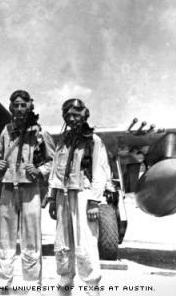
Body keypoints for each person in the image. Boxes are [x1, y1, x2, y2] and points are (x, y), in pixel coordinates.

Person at [0, 90, 55, 290]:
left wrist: (39, 170)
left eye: (23, 105)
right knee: (4, 238)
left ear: (29, 107)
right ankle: (3, 283)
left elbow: (53, 161)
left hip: (30, 190)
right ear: (11, 107)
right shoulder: (6, 131)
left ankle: (32, 284)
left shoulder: (40, 133)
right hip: (8, 188)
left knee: (31, 238)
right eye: (16, 105)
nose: (19, 109)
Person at [46, 99, 108, 296]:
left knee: (85, 243)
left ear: (85, 115)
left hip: (84, 195)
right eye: (69, 115)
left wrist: (94, 201)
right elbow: (55, 170)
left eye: (77, 114)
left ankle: (92, 288)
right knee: (62, 243)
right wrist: (53, 198)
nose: (73, 119)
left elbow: (100, 170)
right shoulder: (63, 141)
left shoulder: (94, 141)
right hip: (63, 195)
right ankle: (65, 283)